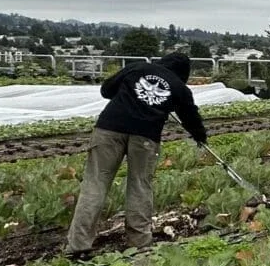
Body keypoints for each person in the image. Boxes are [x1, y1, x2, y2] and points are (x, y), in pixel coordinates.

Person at [66, 52, 208, 255]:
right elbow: (190, 117)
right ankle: (139, 242)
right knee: (140, 185)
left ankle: (78, 245)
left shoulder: (138, 68)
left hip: (109, 129)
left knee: (95, 183)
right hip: (145, 137)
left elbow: (107, 89)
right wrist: (200, 136)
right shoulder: (179, 87)